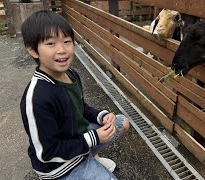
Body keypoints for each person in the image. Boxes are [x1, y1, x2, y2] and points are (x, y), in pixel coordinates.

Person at [20, 10, 130, 180]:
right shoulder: (37, 97)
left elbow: (81, 108)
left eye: (67, 41)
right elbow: (46, 153)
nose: (62, 50)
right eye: (51, 44)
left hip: (77, 141)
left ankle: (91, 158)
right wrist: (94, 137)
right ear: (33, 50)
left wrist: (101, 116)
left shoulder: (71, 74)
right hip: (59, 166)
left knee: (121, 123)